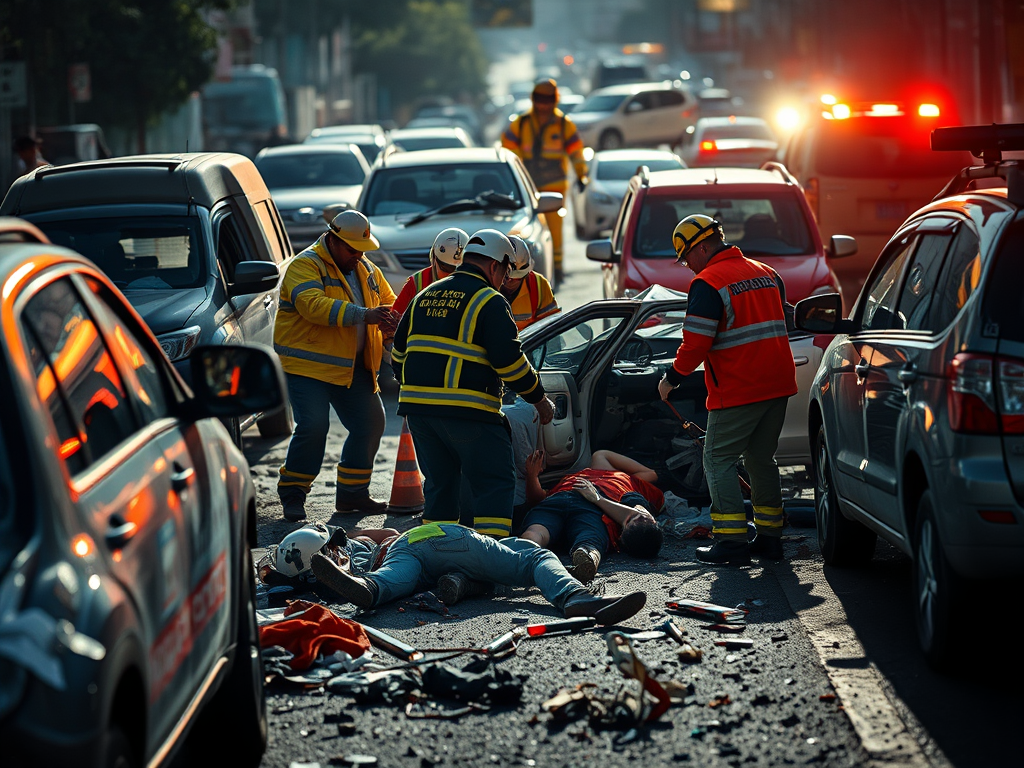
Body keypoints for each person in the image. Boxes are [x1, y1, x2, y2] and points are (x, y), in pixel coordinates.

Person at [391, 229, 554, 538]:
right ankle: (489, 562)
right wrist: (539, 400)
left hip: (419, 415)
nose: (505, 281)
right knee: (494, 483)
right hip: (469, 413)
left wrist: (421, 389)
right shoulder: (489, 301)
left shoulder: (425, 294)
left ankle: (437, 556)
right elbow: (510, 362)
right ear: (495, 266)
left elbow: (397, 357)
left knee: (441, 488)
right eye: (506, 273)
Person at [658, 214, 797, 565]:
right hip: (777, 386)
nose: (687, 265)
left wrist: (671, 379)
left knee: (717, 459)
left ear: (703, 247)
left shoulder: (708, 283)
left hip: (739, 390)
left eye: (687, 256)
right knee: (761, 460)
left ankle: (731, 543)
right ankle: (769, 539)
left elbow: (695, 346)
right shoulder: (766, 273)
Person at [275, 209, 398, 522]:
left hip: (351, 365)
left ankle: (352, 494)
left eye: (361, 250)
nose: (357, 256)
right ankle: (293, 493)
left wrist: (392, 323)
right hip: (308, 367)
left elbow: (389, 301)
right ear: (332, 239)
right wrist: (364, 315)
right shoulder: (305, 265)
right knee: (314, 425)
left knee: (371, 423)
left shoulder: (366, 269)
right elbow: (312, 306)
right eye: (352, 249)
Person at [309, 522, 647, 625]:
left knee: (387, 583)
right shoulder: (364, 541)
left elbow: (383, 538)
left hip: (405, 554)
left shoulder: (364, 550)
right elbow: (389, 530)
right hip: (444, 537)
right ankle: (576, 597)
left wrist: (344, 566)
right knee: (535, 559)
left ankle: (366, 588)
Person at [519, 450, 664, 584]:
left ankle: (522, 554)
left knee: (536, 532)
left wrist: (532, 477)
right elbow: (601, 455)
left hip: (570, 501)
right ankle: (587, 556)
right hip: (582, 505)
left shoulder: (631, 485)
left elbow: (642, 510)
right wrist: (532, 476)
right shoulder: (627, 483)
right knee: (589, 541)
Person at [502, 79, 589, 285]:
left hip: (555, 185)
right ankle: (527, 269)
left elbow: (576, 152)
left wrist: (582, 174)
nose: (544, 104)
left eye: (548, 100)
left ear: (555, 100)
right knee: (528, 229)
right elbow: (507, 148)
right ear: (534, 100)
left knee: (555, 230)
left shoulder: (563, 124)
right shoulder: (521, 123)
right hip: (529, 187)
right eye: (541, 99)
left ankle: (556, 270)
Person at [391, 227, 469, 317]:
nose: (451, 274)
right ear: (434, 258)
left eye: (459, 270)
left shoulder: (476, 285)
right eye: (446, 268)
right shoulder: (416, 283)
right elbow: (393, 321)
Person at [501, 235, 560, 331]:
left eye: (516, 278)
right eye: (505, 277)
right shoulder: (483, 285)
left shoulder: (538, 285)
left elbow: (552, 329)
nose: (509, 281)